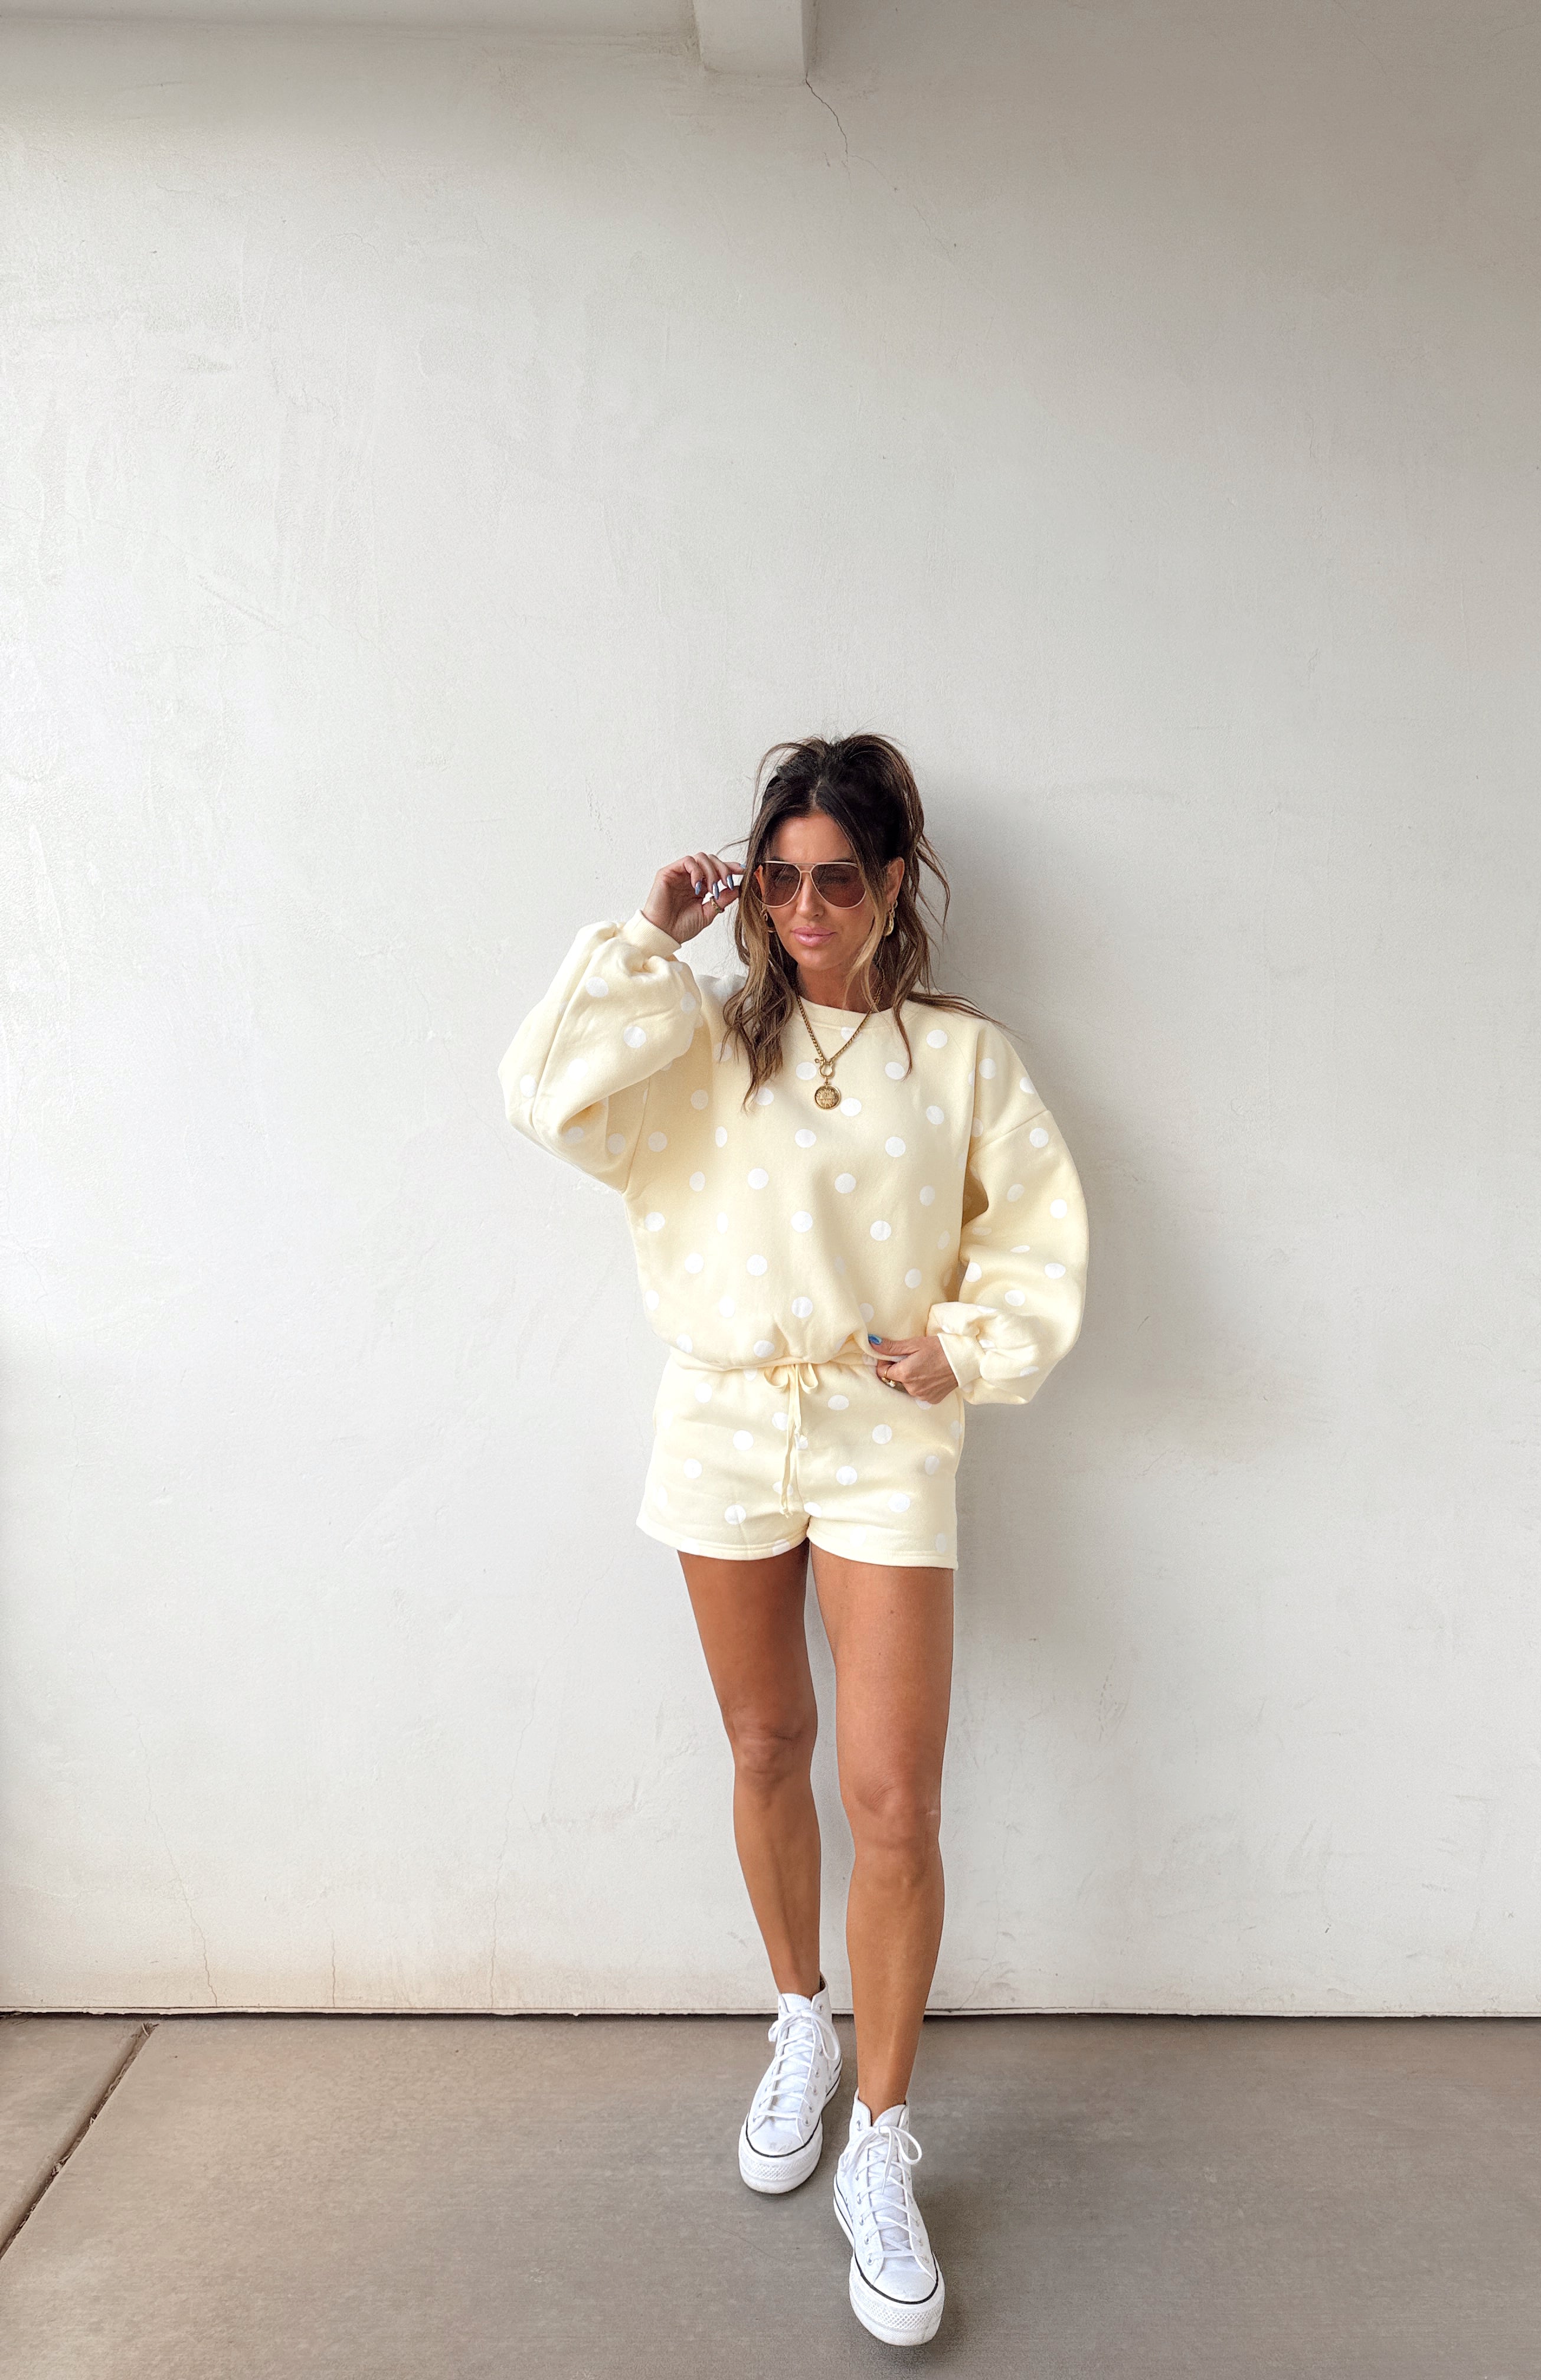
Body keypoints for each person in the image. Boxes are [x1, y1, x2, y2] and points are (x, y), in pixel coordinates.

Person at [498, 733, 1089, 2347]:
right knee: (767, 1742)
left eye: (836, 878)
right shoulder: (699, 1039)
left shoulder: (962, 1058)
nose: (806, 908)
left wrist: (966, 1345)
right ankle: (798, 2023)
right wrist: (651, 936)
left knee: (895, 1797)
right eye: (779, 879)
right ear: (751, 889)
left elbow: (1037, 1236)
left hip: (883, 1433)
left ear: (892, 884)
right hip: (720, 1419)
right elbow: (543, 1093)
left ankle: (882, 2142)